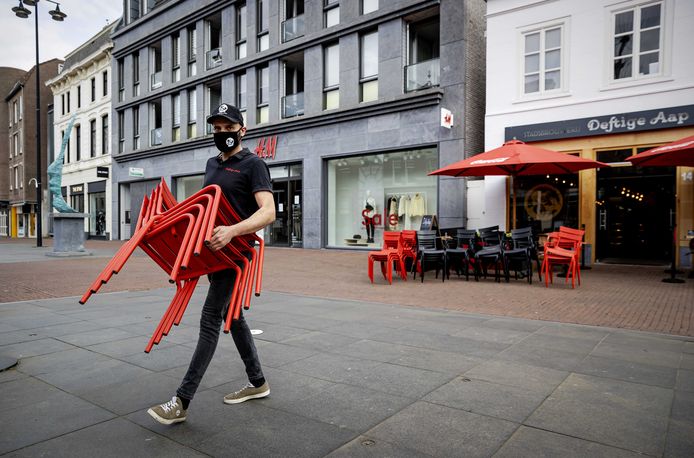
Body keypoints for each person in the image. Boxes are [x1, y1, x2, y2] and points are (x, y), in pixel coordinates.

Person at [147, 103, 276, 425]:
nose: (222, 134)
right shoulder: (212, 164)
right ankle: (258, 382)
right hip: (213, 254)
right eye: (217, 129)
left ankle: (181, 400)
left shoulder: (254, 164)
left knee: (210, 320)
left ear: (242, 130)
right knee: (234, 318)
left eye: (228, 128)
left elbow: (268, 212)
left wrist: (233, 231)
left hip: (236, 255)